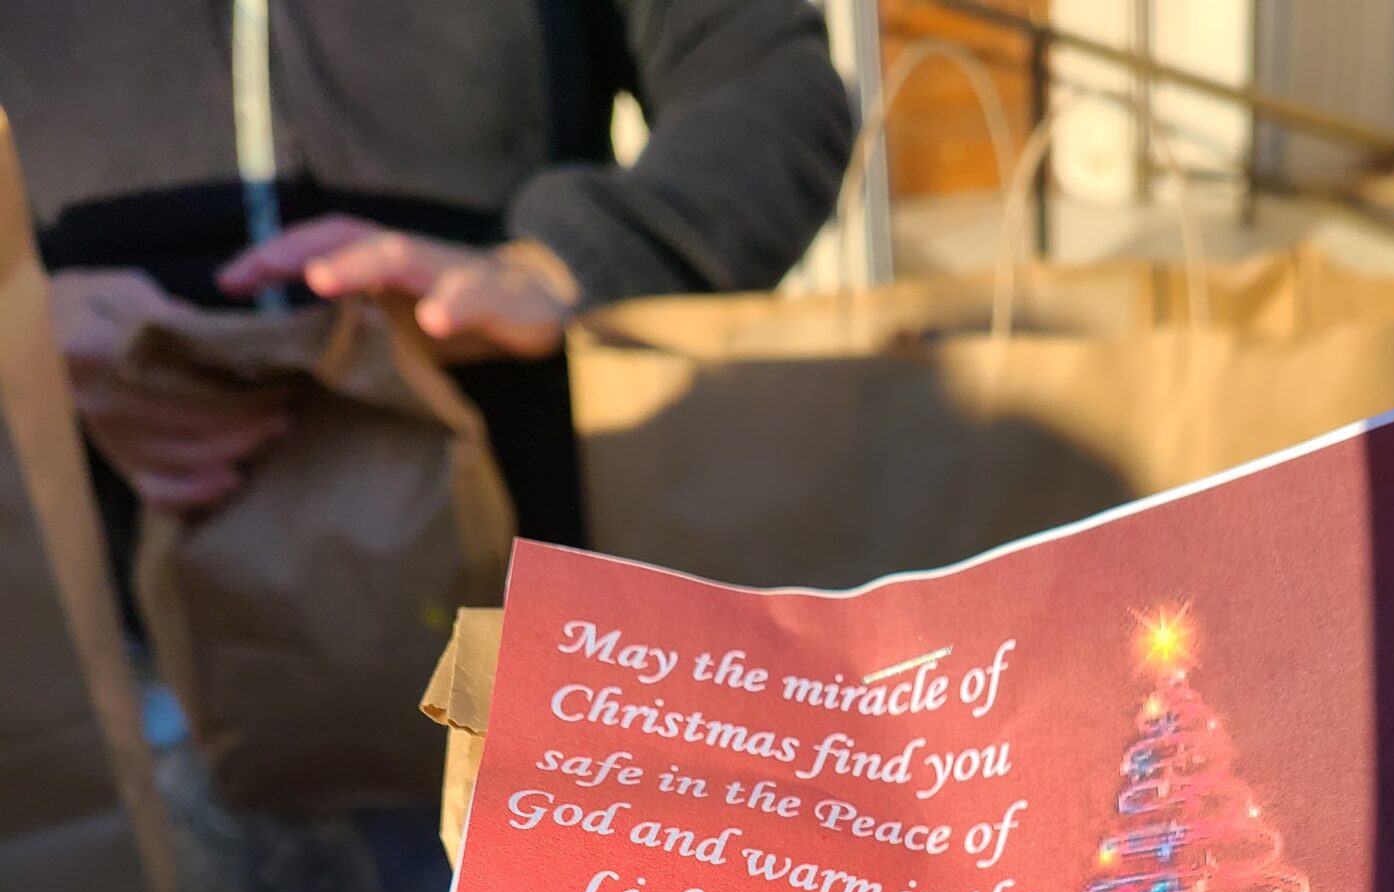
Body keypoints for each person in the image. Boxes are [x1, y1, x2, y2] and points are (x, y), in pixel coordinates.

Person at [3, 0, 853, 543]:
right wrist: (21, 332)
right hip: (96, 616)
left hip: (529, 571)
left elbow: (771, 79)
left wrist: (567, 261)